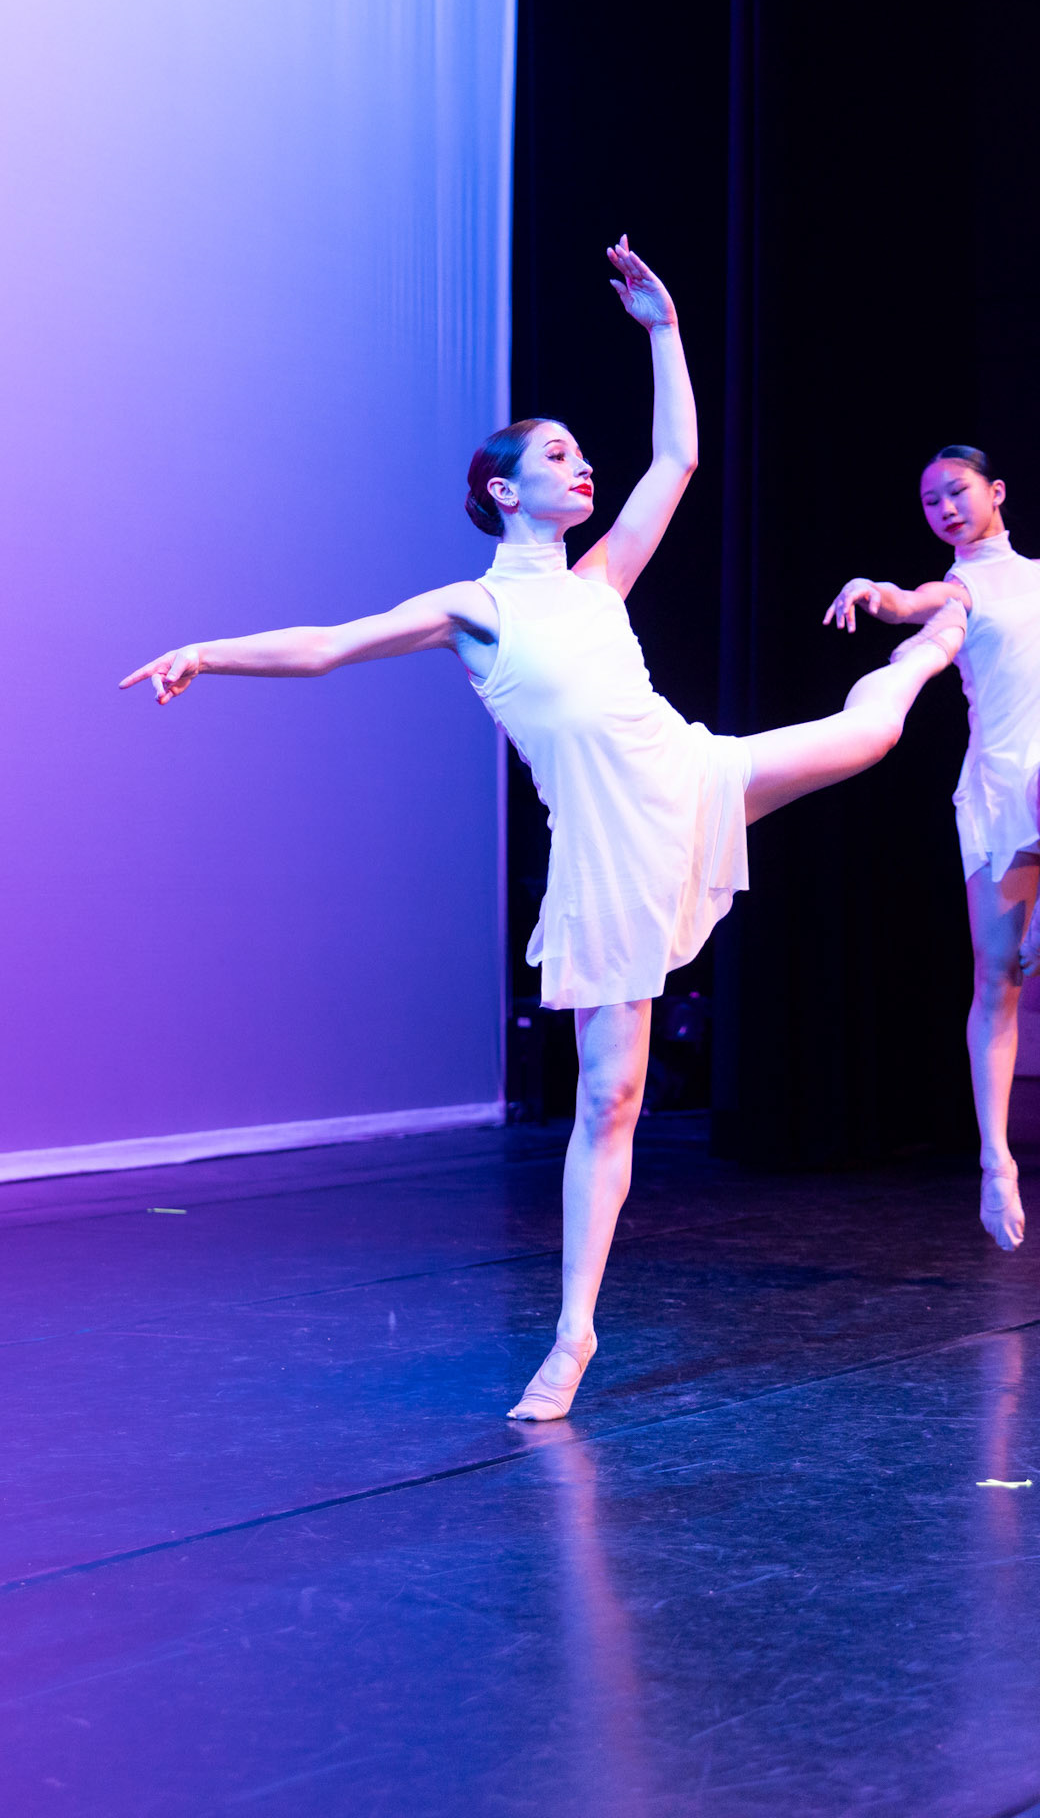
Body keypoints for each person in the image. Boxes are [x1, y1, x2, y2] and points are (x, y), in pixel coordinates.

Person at [121, 240, 962, 1421]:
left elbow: (678, 457)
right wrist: (206, 651)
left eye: (580, 451)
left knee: (867, 736)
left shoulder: (600, 579)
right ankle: (573, 1335)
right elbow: (325, 646)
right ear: (504, 490)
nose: (584, 465)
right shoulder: (472, 607)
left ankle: (929, 645)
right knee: (610, 1099)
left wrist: (663, 328)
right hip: (607, 858)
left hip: (687, 774)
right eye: (557, 454)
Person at [823, 446, 1040, 1251]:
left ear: (996, 492)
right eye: (930, 501)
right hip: (995, 787)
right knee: (997, 979)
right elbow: (912, 602)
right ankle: (995, 1159)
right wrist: (873, 591)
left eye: (956, 492)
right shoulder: (961, 589)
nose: (944, 508)